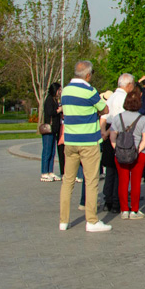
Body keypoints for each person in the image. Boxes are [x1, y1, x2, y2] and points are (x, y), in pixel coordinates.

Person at [58, 60, 112, 232]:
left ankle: (63, 221)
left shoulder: (65, 90)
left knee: (68, 181)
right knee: (91, 181)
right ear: (88, 75)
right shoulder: (90, 91)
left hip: (71, 140)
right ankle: (92, 221)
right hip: (88, 141)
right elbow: (105, 110)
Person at [109, 85, 145, 220]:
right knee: (136, 181)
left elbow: (112, 136)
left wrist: (117, 148)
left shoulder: (117, 118)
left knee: (123, 181)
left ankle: (124, 210)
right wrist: (138, 150)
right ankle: (134, 210)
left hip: (121, 152)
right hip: (138, 153)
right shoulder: (143, 119)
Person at [40, 83, 63, 181]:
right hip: (48, 129)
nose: (60, 92)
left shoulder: (55, 100)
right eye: (59, 90)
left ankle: (50, 171)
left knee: (53, 151)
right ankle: (44, 172)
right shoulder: (49, 100)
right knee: (47, 151)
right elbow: (50, 112)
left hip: (55, 129)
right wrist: (59, 110)